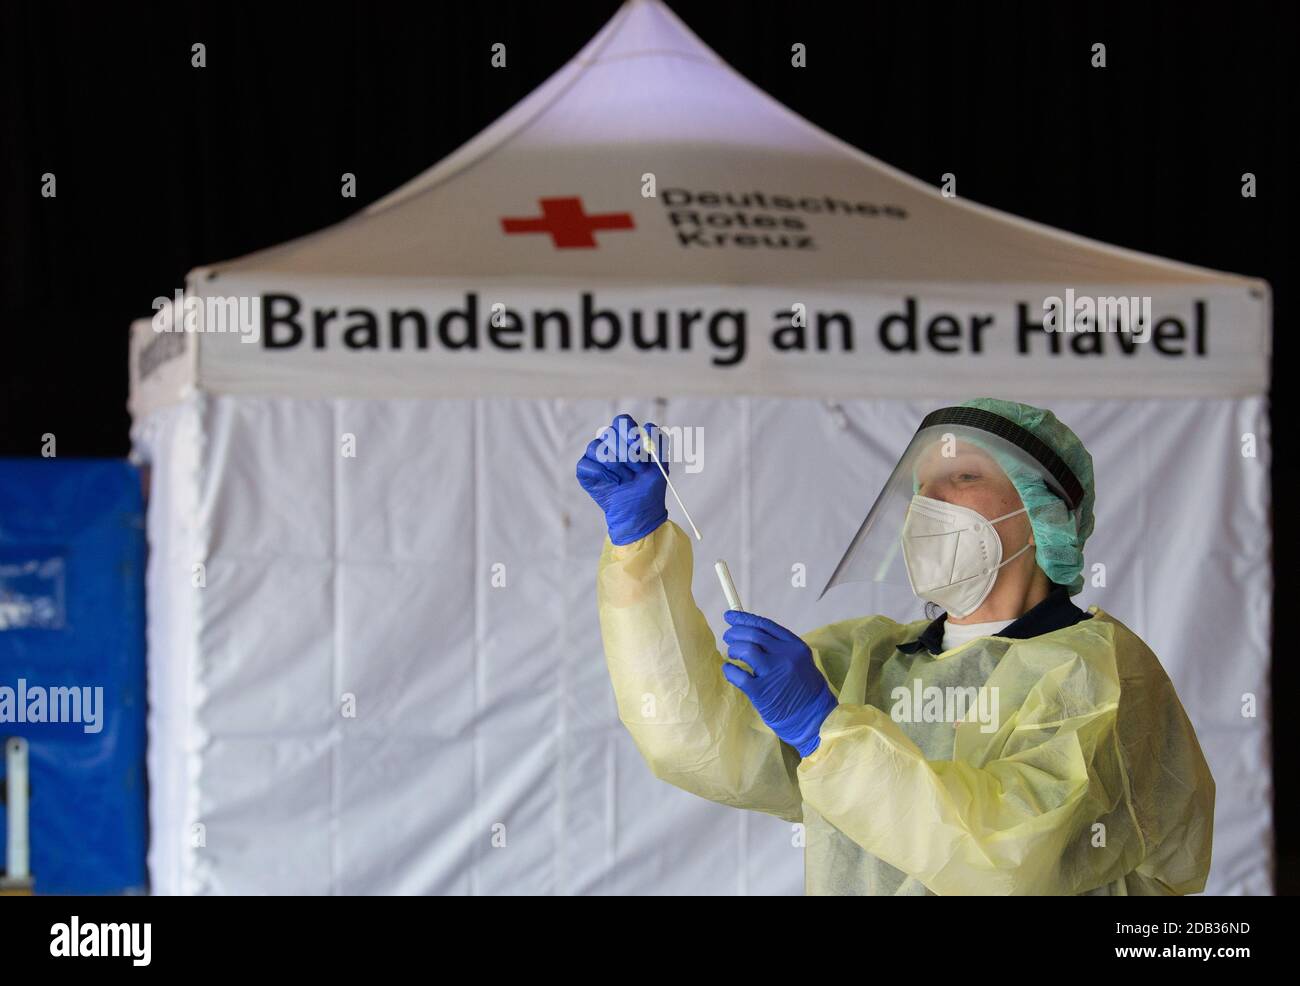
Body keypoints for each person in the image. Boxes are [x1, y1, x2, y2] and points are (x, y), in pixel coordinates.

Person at [576, 398, 1215, 896]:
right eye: (920, 485)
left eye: (961, 476)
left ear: (1043, 508)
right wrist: (638, 545)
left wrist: (826, 732)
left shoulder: (1098, 670)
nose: (927, 503)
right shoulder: (873, 660)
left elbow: (1008, 863)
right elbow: (697, 741)